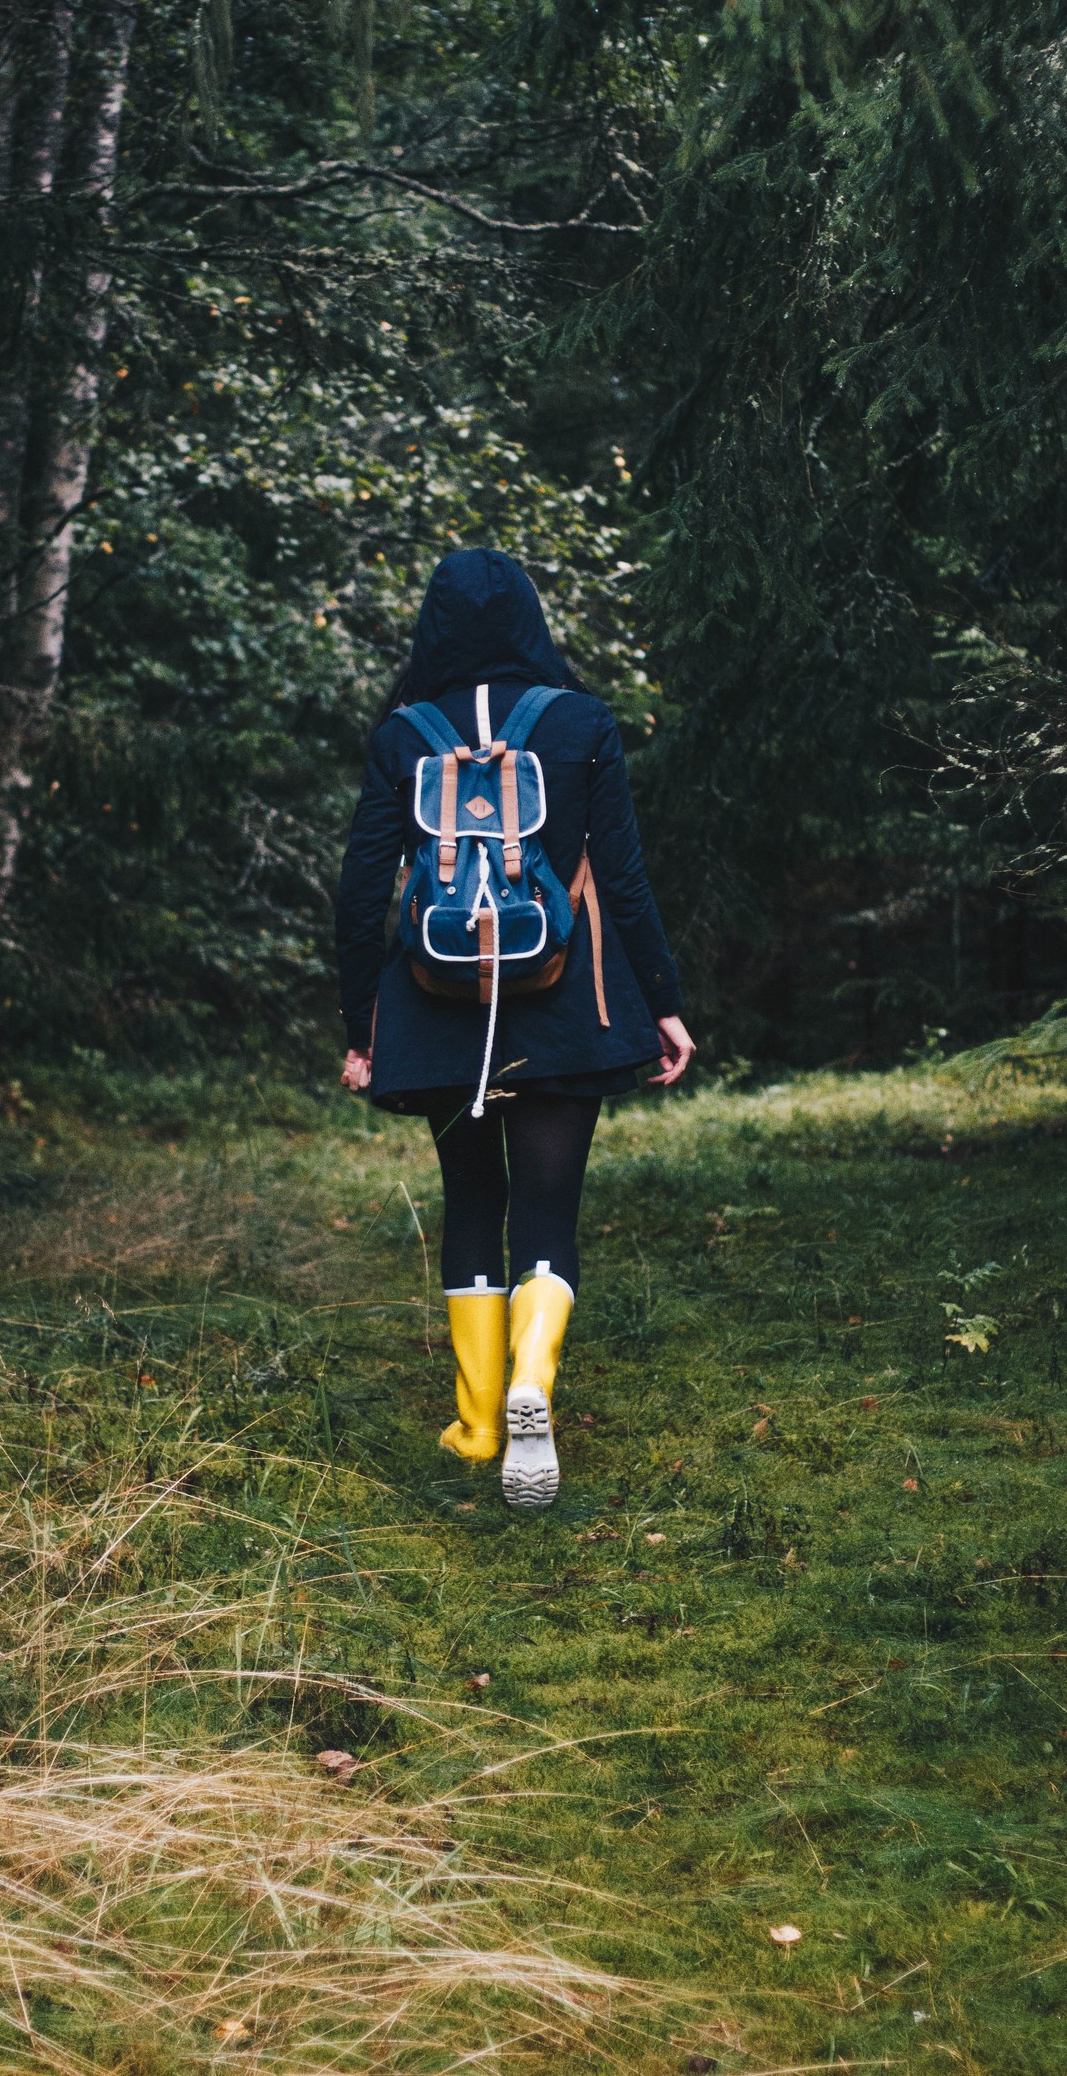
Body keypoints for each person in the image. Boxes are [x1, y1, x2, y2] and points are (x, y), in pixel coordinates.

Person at [335, 548, 694, 1508]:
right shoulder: (579, 723)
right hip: (564, 1000)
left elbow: (363, 887)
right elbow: (620, 874)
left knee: (469, 1200)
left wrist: (360, 1023)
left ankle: (482, 1420)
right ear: (532, 620)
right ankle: (536, 1382)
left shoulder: (402, 735)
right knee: (546, 1207)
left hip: (435, 1002)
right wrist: (661, 1000)